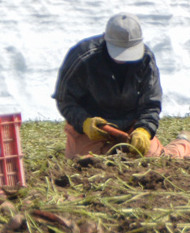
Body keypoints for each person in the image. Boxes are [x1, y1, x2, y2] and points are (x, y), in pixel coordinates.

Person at [54, 12, 163, 158]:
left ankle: (183, 144)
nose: (124, 59)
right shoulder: (83, 57)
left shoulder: (146, 59)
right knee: (90, 160)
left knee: (153, 156)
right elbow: (66, 100)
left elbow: (151, 104)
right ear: (106, 40)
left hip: (131, 126)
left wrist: (144, 130)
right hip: (92, 130)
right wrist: (85, 122)